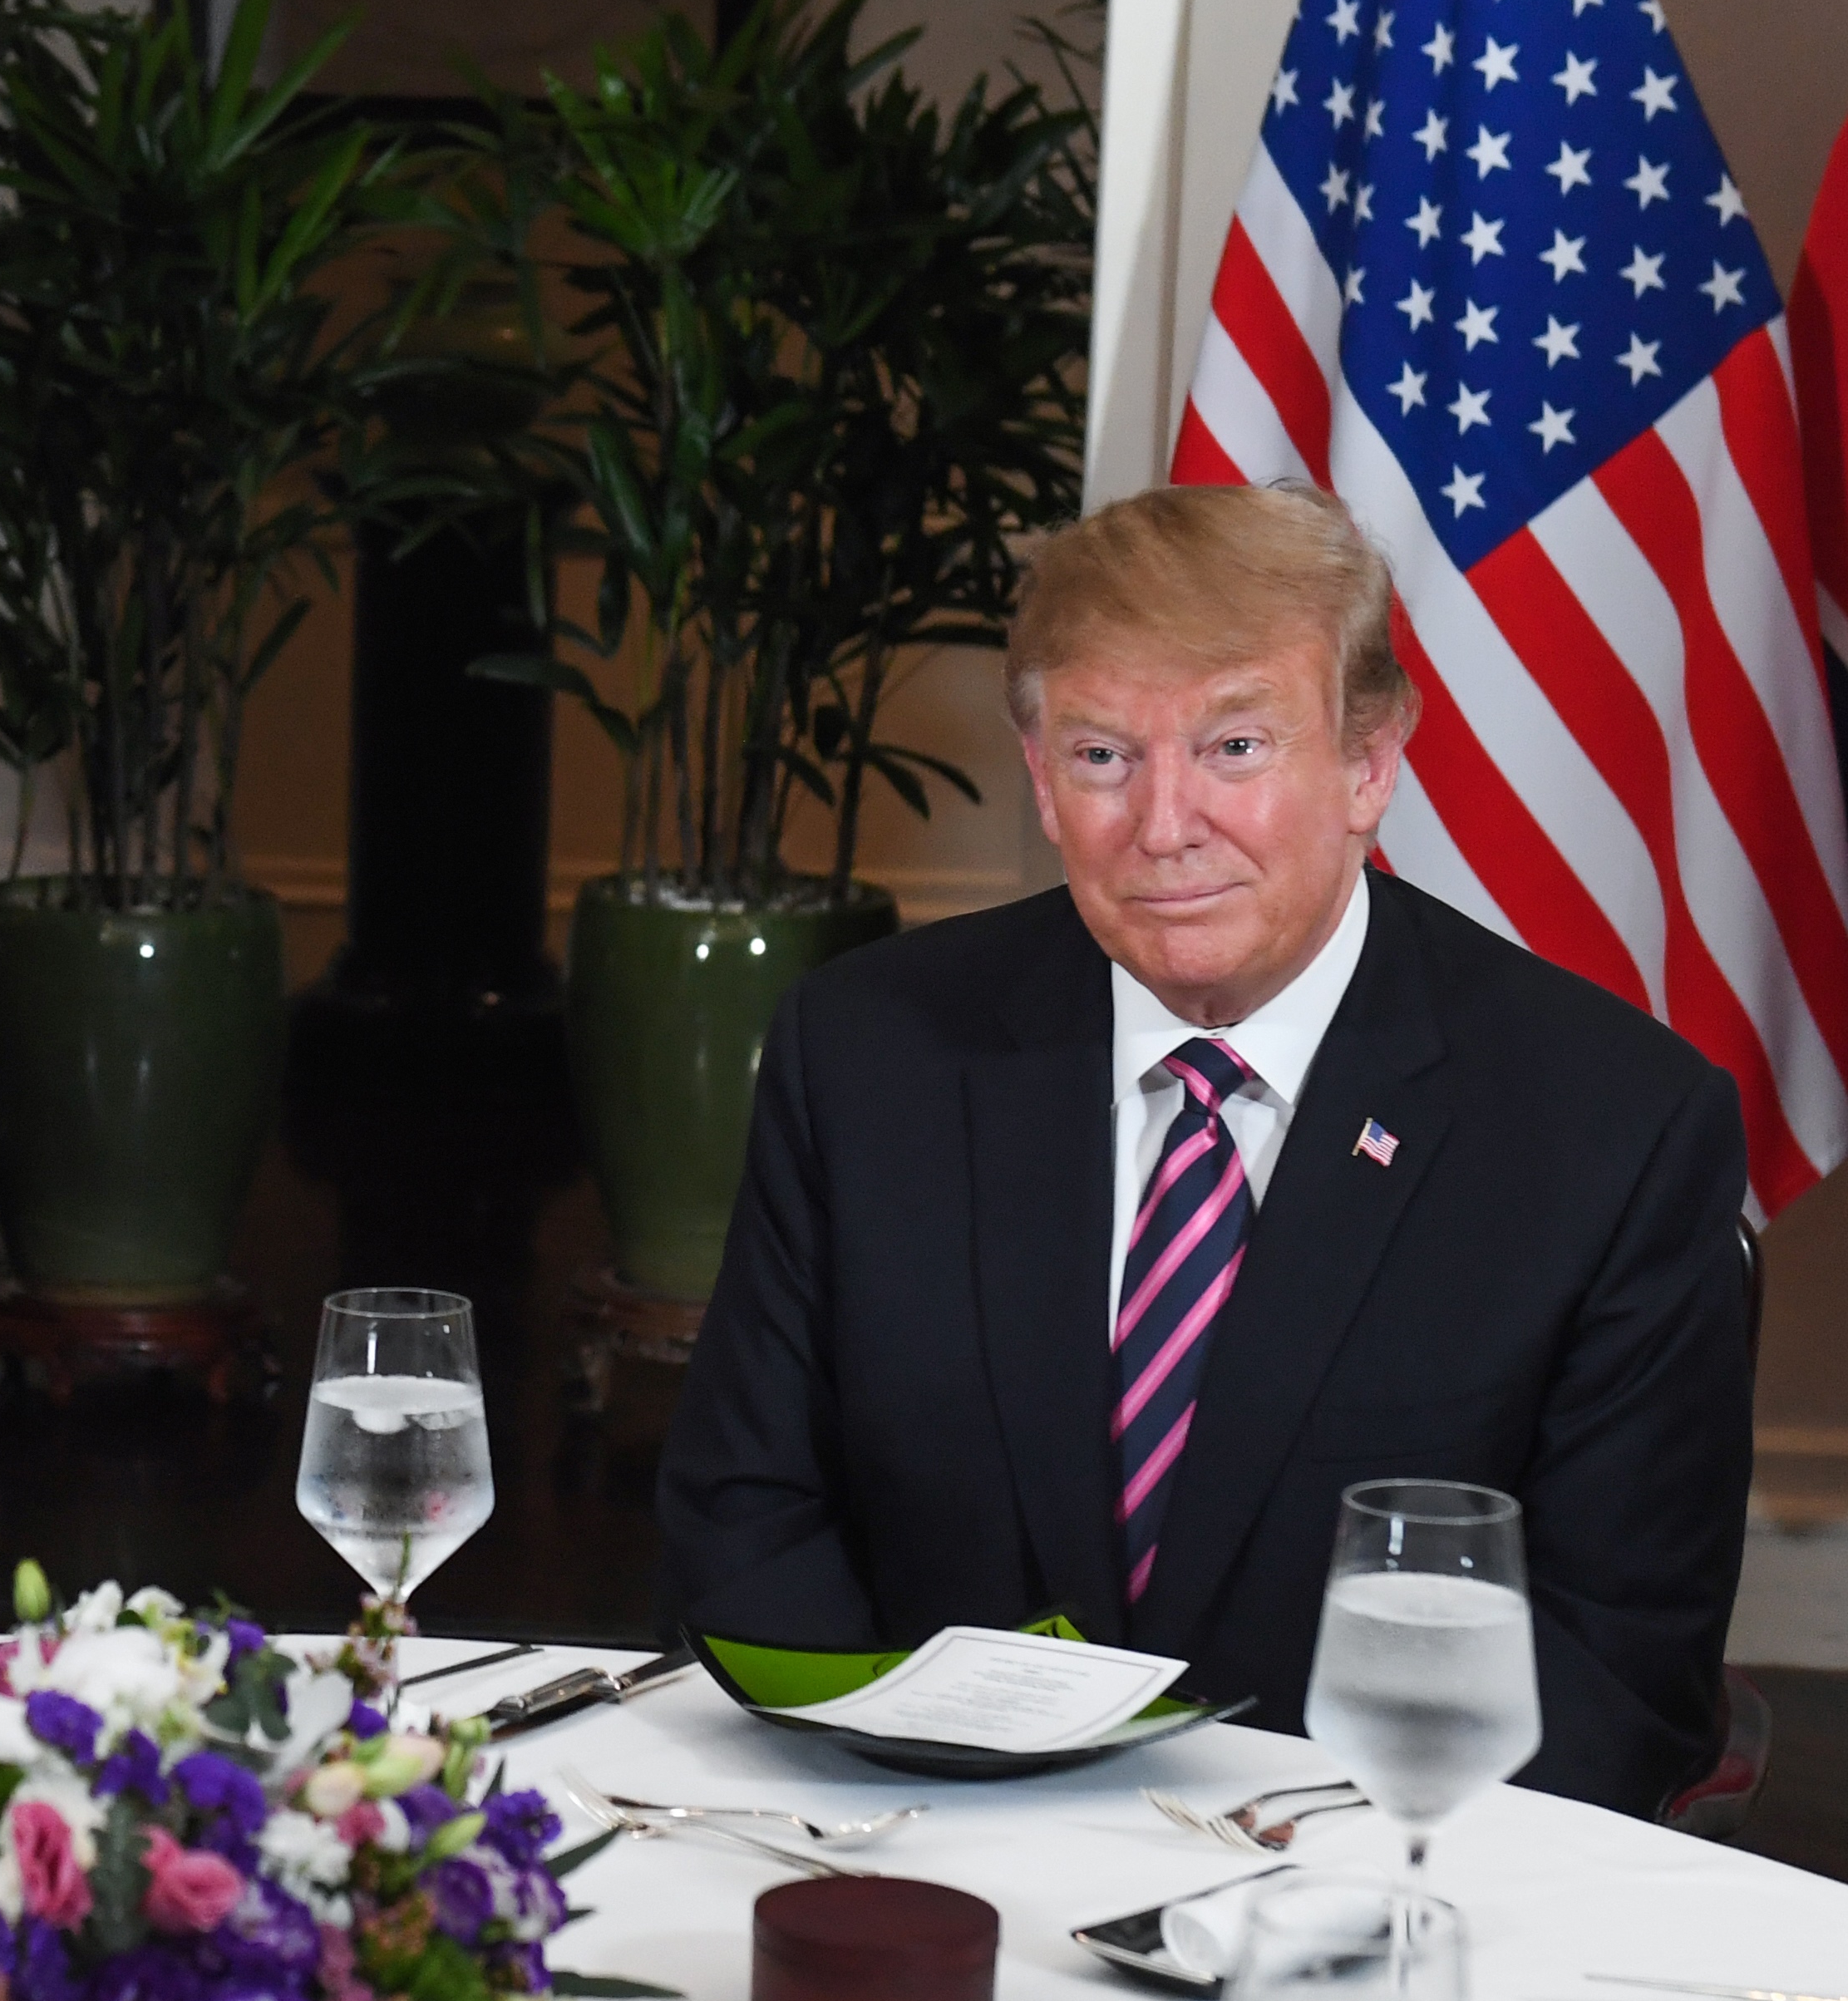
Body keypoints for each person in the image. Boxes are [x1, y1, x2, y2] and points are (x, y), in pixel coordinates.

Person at [654, 482, 1752, 1817]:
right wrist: (907, 1814)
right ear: (1040, 775)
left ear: (1368, 762)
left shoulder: (1611, 1128)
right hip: (920, 1854)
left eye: (1234, 746)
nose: (1163, 825)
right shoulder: (866, 1051)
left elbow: (1613, 1675)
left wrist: (1274, 1890)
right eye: (1104, 755)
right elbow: (746, 1512)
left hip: (1355, 1919)